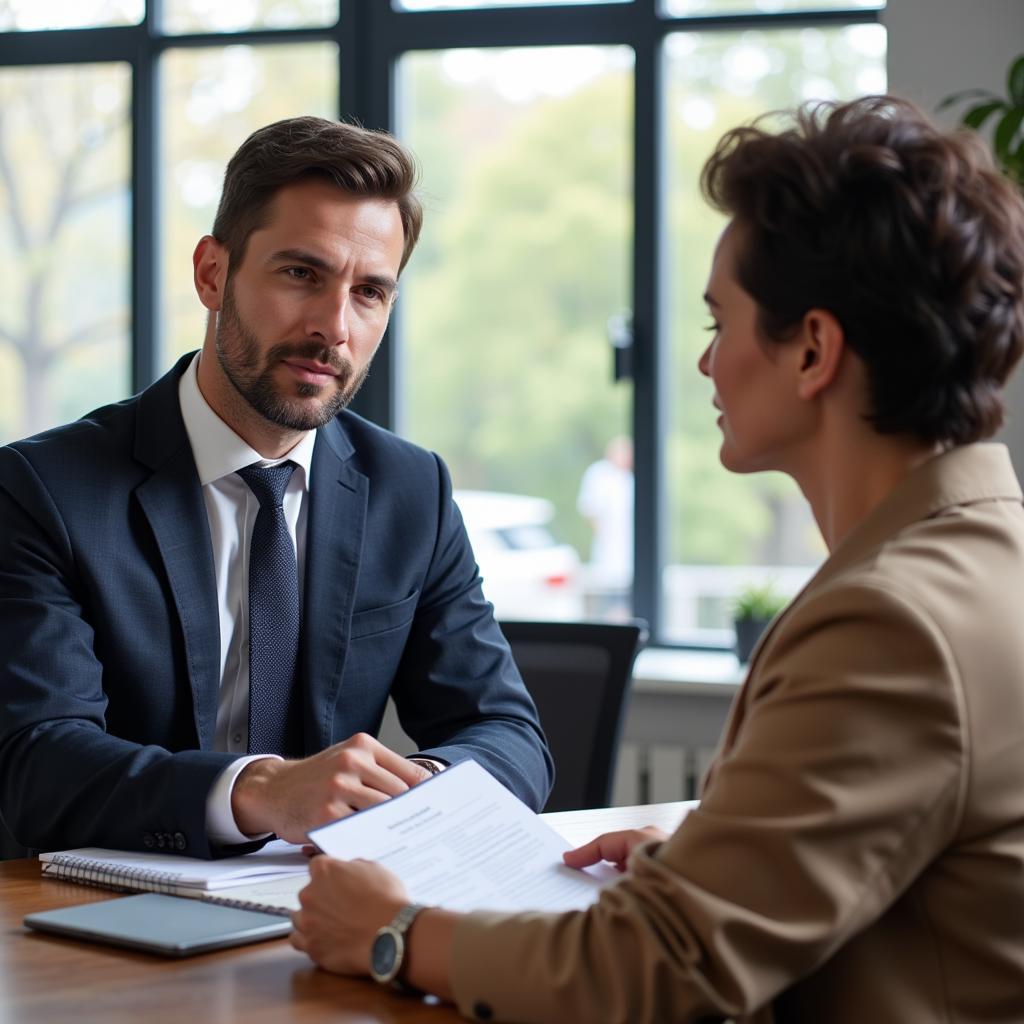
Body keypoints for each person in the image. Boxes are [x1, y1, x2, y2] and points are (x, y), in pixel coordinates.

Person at [289, 96, 1024, 1021]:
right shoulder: (987, 559)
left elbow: (660, 967)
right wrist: (715, 864)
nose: (708, 366)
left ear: (813, 351)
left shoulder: (894, 620)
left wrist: (395, 933)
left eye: (720, 324)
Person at [0, 116, 552, 860]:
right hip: (98, 920)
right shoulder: (45, 490)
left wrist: (413, 793)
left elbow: (510, 736)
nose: (335, 327)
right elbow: (36, 763)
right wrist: (257, 792)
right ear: (212, 274)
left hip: (326, 912)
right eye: (302, 274)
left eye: (369, 293)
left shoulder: (409, 490)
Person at [576, 435, 633, 618]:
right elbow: (590, 509)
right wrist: (604, 535)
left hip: (626, 555)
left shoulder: (628, 478)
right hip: (610, 552)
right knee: (611, 600)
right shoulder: (600, 474)